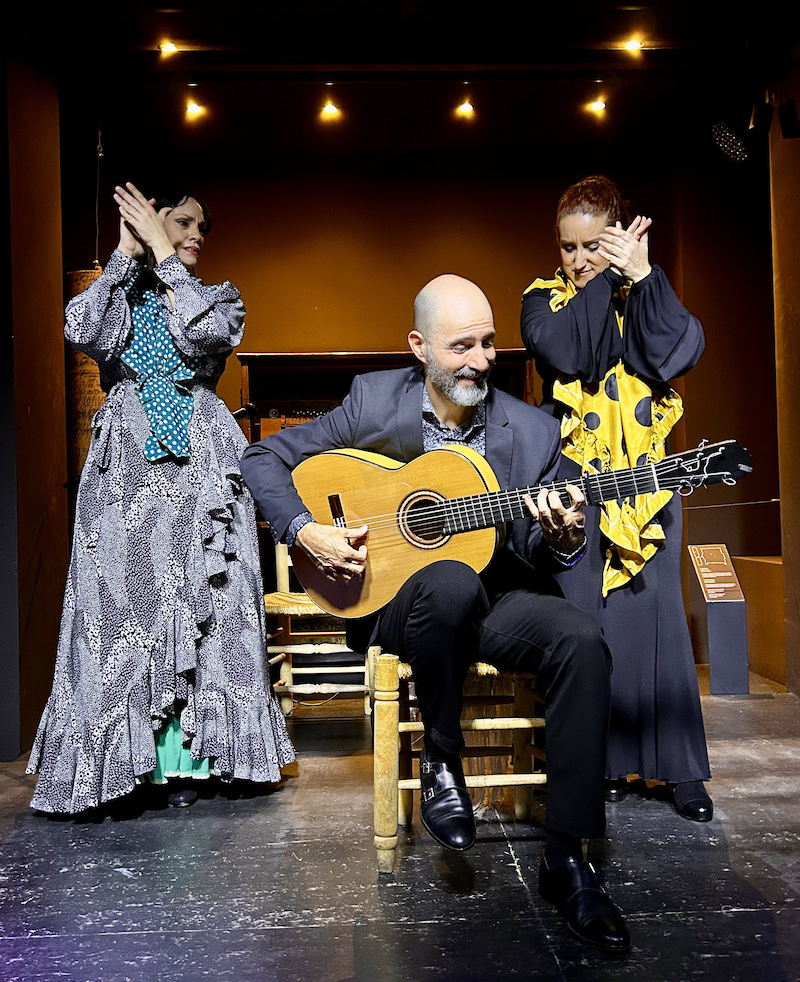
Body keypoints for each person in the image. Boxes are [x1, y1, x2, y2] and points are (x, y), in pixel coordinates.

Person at [241, 273, 631, 953]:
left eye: (489, 343)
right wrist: (306, 531)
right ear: (419, 347)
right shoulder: (372, 401)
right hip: (395, 601)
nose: (481, 360)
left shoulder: (534, 431)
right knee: (447, 583)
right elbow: (263, 457)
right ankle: (442, 760)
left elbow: (539, 544)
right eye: (461, 346)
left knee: (582, 640)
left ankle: (568, 860)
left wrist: (564, 534)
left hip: (497, 597)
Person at [27, 182, 294, 814]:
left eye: (203, 227)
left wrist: (166, 255)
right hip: (127, 469)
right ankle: (127, 764)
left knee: (210, 602)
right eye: (184, 222)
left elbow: (205, 336)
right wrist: (126, 252)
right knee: (123, 608)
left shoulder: (217, 298)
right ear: (152, 219)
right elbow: (81, 329)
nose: (197, 235)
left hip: (201, 467)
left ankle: (205, 757)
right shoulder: (119, 296)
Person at [520, 174, 711, 822]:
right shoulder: (543, 299)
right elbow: (567, 349)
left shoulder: (641, 294)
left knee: (658, 615)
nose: (578, 260)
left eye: (593, 247)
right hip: (573, 480)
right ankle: (597, 761)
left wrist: (646, 276)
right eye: (569, 247)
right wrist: (606, 275)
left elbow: (676, 352)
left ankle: (681, 772)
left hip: (647, 484)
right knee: (587, 621)